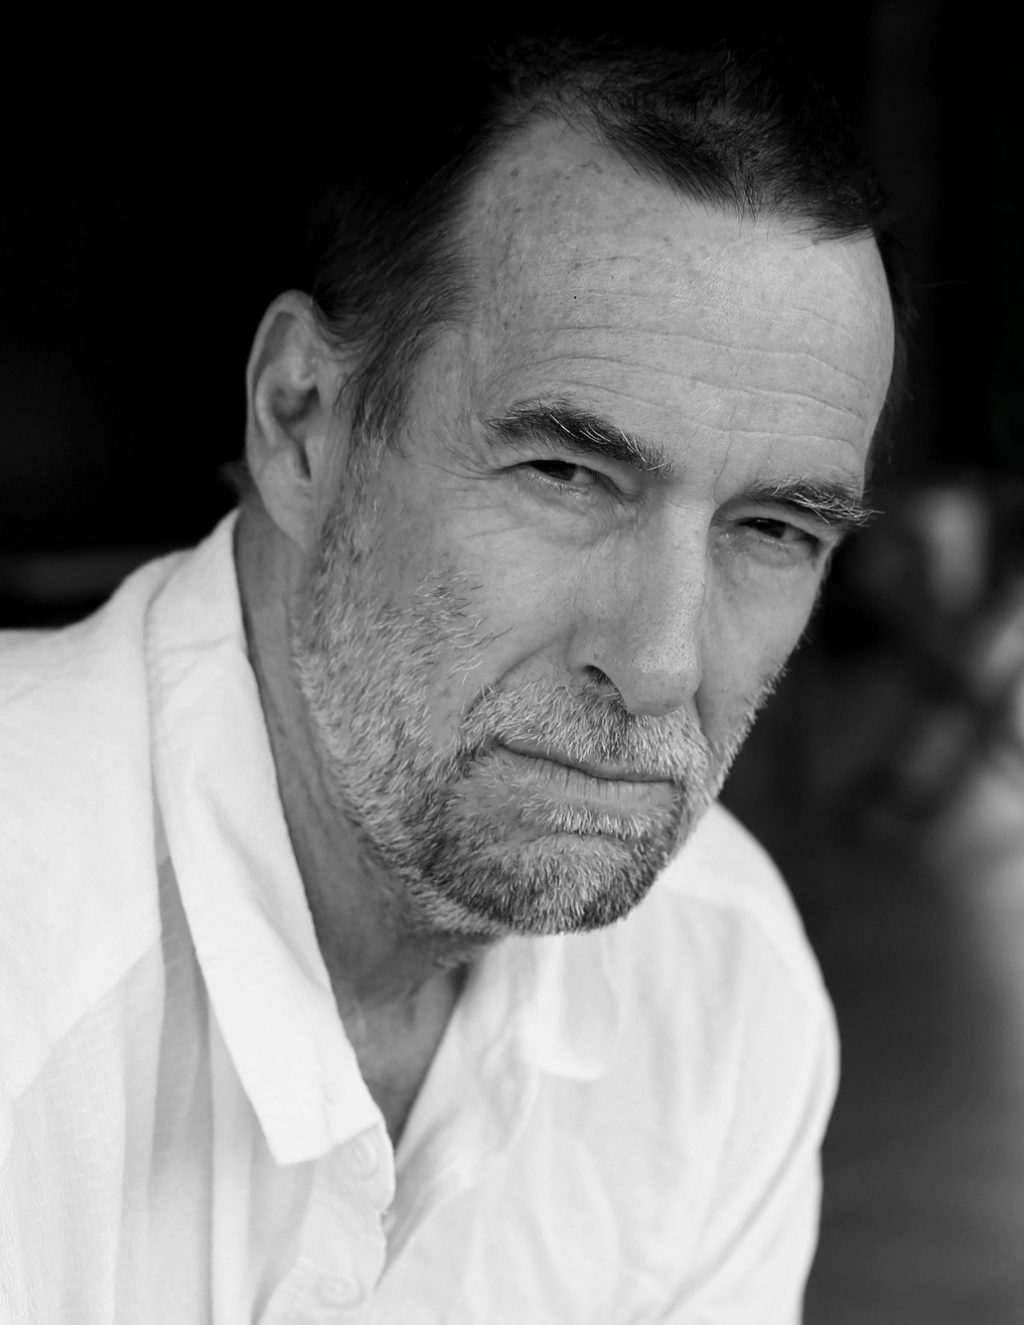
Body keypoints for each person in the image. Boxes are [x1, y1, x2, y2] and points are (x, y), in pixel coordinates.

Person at [0, 32, 900, 1324]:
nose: (659, 664)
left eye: (773, 530)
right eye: (568, 474)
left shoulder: (722, 981)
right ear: (302, 421)